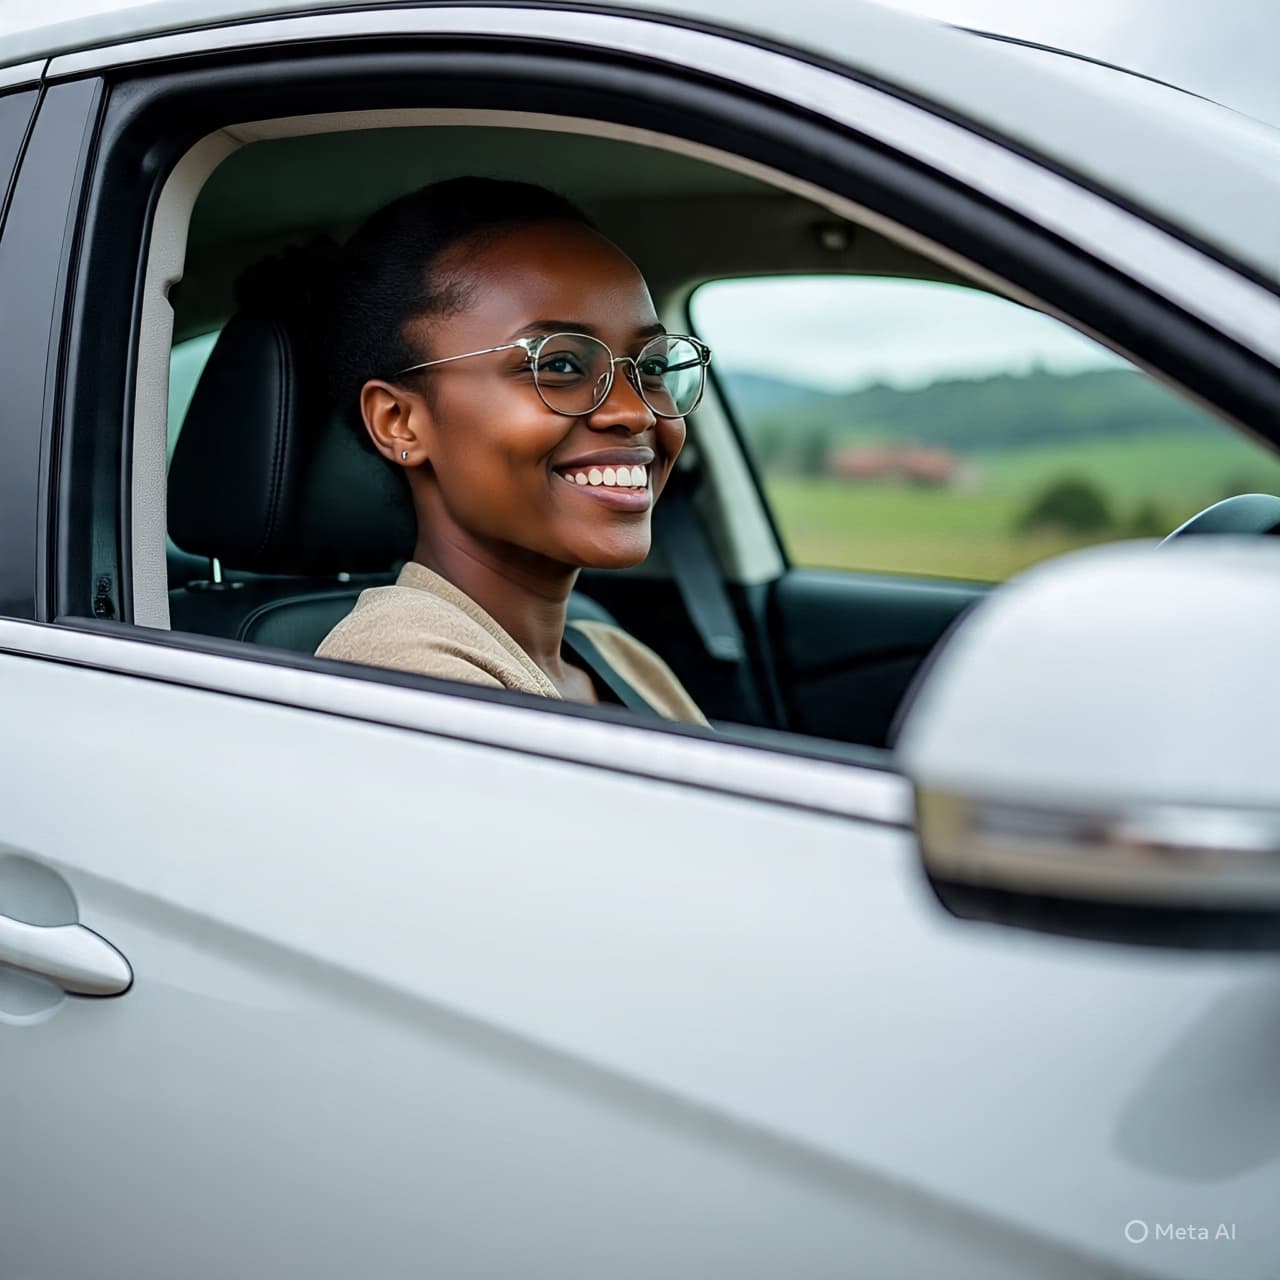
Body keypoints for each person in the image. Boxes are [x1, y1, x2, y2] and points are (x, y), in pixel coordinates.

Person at [313, 177, 710, 725]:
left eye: (653, 367)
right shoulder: (404, 671)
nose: (635, 411)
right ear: (400, 422)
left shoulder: (618, 658)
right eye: (560, 365)